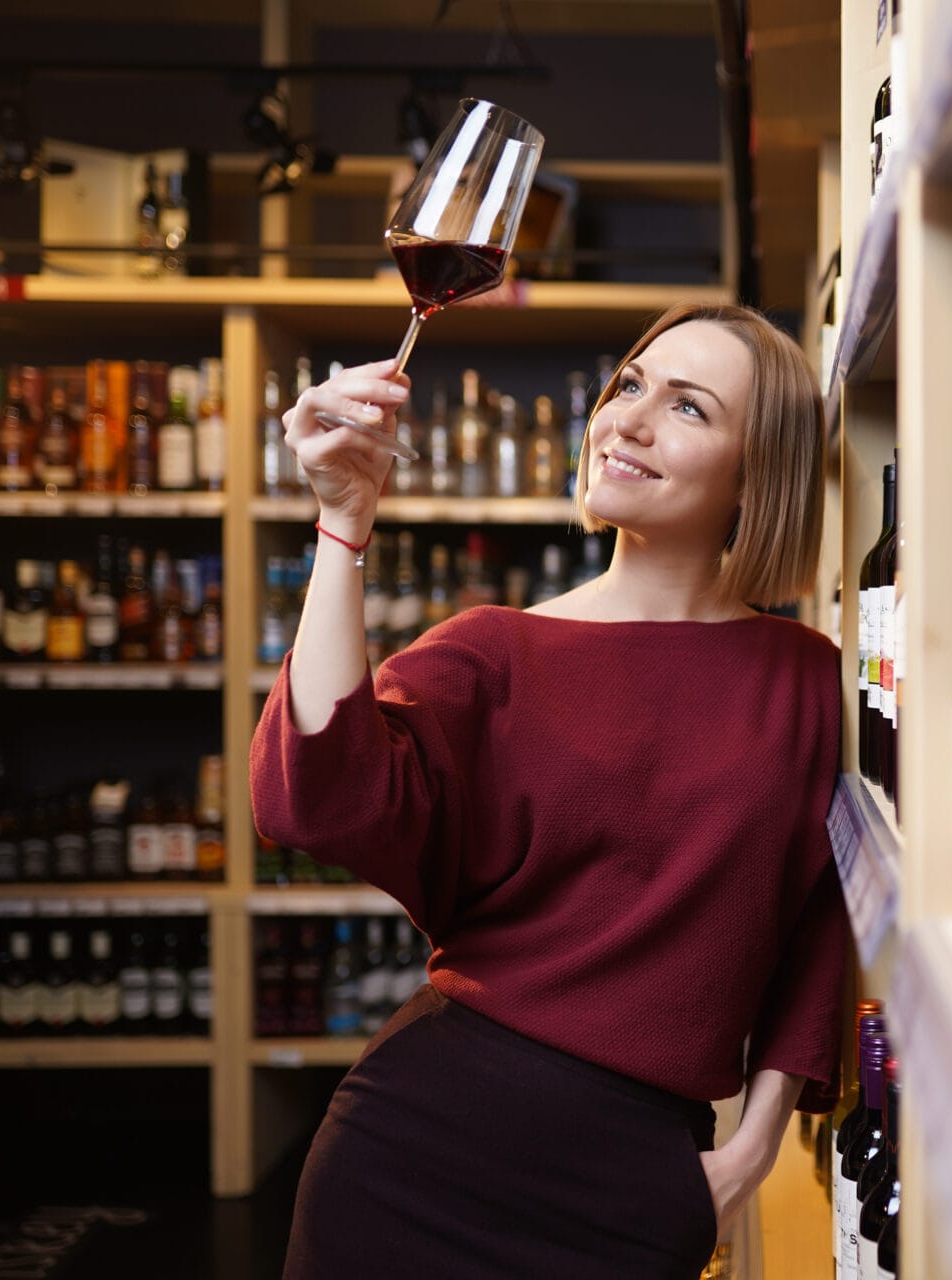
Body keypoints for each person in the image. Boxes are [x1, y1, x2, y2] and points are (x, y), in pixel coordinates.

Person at [251, 303, 849, 1280]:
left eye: (689, 407)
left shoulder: (810, 680)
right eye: (629, 386)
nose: (630, 420)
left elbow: (820, 931)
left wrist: (750, 1154)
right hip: (414, 1157)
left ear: (757, 472)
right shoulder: (494, 652)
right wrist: (342, 524)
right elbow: (309, 794)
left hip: (636, 1182)